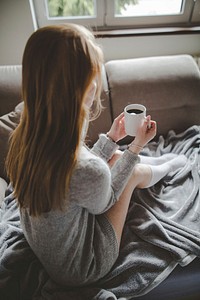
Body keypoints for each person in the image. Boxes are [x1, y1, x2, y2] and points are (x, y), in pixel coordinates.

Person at [6, 24, 187, 287]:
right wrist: (135, 148)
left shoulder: (26, 137)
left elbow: (79, 178)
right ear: (85, 89)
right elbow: (104, 200)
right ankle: (172, 164)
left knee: (116, 160)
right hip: (85, 265)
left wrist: (112, 140)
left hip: (51, 246)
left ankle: (160, 162)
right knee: (131, 170)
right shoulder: (85, 167)